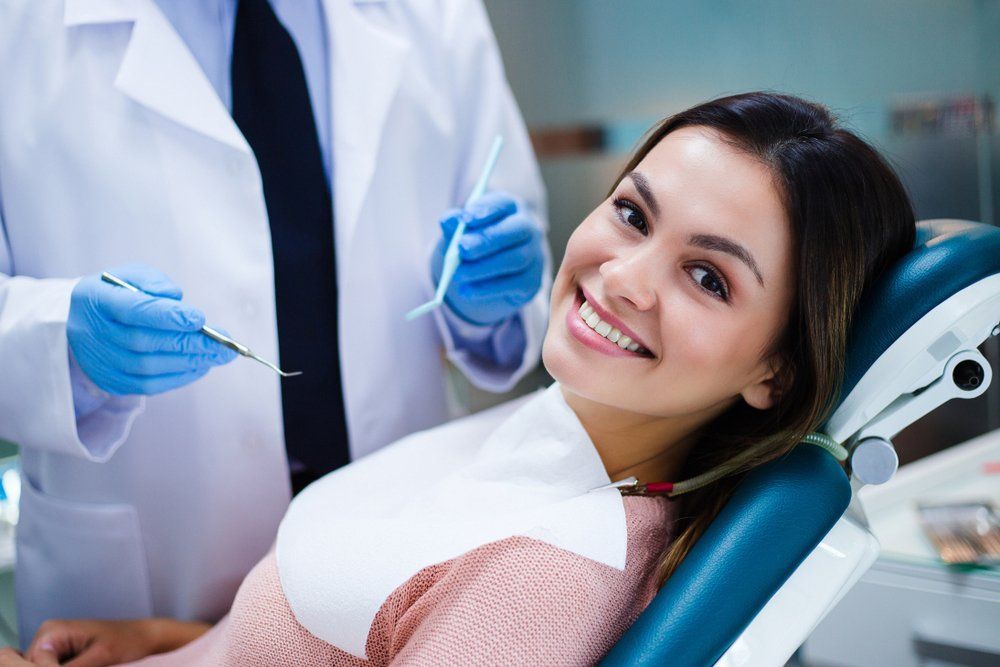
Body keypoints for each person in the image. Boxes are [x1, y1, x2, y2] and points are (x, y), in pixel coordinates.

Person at [6, 92, 917, 666]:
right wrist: (175, 643)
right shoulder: (544, 435)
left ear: (775, 370)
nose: (625, 276)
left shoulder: (544, 578)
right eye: (633, 214)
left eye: (708, 277)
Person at [0, 0, 548, 644]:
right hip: (145, 576)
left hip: (401, 536)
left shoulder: (436, 15)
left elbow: (510, 221)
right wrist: (59, 343)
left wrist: (485, 302)